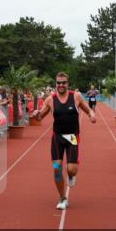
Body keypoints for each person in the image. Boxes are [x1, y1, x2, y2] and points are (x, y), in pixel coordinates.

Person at [32, 72, 96, 210]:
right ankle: (62, 198)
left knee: (71, 169)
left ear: (68, 83)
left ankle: (71, 176)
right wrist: (36, 114)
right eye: (58, 83)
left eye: (63, 83)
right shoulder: (50, 99)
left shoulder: (76, 96)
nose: (61, 85)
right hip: (57, 138)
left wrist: (92, 115)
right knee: (57, 169)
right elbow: (40, 117)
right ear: (56, 84)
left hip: (72, 137)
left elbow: (88, 110)